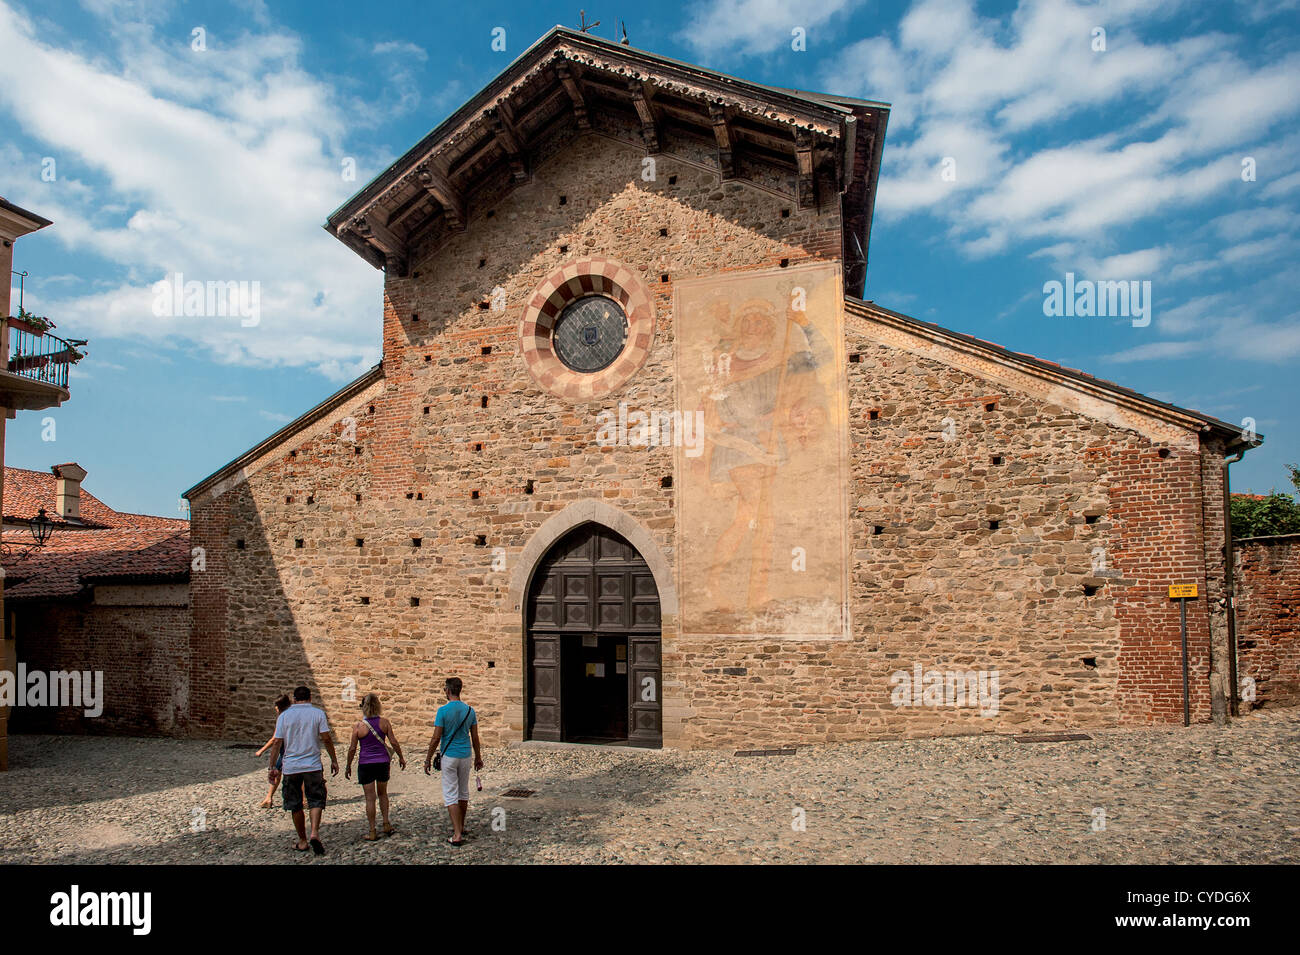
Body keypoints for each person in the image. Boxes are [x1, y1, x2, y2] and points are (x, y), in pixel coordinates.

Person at [266, 685, 338, 855]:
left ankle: (303, 840)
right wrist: (333, 760)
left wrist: (271, 766)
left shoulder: (284, 715)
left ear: (294, 699)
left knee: (295, 804)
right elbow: (326, 738)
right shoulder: (318, 713)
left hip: (291, 766)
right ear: (310, 698)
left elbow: (277, 741)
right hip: (312, 765)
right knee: (316, 800)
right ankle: (314, 832)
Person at [423, 677, 483, 846]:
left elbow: (436, 738)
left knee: (450, 793)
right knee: (463, 792)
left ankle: (457, 834)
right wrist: (478, 757)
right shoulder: (470, 711)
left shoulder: (442, 711)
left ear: (448, 691)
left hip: (449, 756)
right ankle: (461, 826)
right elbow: (475, 737)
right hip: (465, 755)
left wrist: (427, 759)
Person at [345, 692, 406, 841]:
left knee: (370, 798)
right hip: (382, 762)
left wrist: (348, 765)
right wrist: (401, 757)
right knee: (383, 794)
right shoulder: (384, 723)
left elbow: (352, 748)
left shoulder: (359, 726)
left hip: (366, 763)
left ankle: (372, 830)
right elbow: (393, 742)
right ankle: (386, 823)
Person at [255, 694, 292, 808]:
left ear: (278, 707)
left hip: (286, 749)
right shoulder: (292, 715)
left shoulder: (283, 718)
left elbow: (275, 739)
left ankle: (269, 797)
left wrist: (261, 750)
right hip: (291, 748)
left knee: (277, 772)